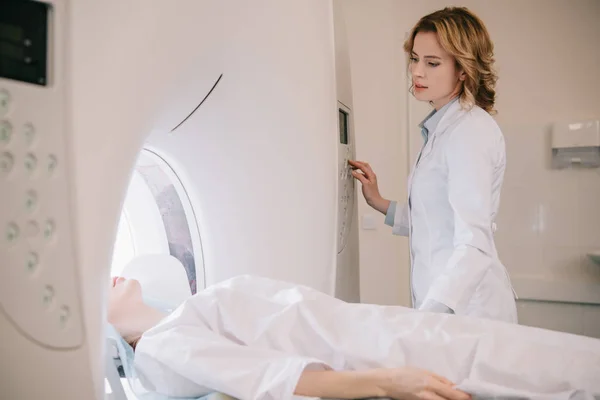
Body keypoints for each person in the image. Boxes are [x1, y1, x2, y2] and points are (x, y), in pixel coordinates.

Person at [107, 275, 600, 400]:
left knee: (547, 358)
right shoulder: (162, 344)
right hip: (383, 351)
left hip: (387, 331)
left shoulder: (179, 320)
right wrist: (389, 383)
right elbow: (275, 380)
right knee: (547, 371)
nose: (109, 276)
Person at [350, 7, 517, 322]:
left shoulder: (470, 131)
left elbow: (474, 243)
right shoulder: (443, 129)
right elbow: (436, 221)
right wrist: (378, 201)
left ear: (464, 69)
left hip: (469, 313)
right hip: (447, 310)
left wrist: (428, 317)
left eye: (432, 63)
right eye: (414, 59)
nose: (417, 72)